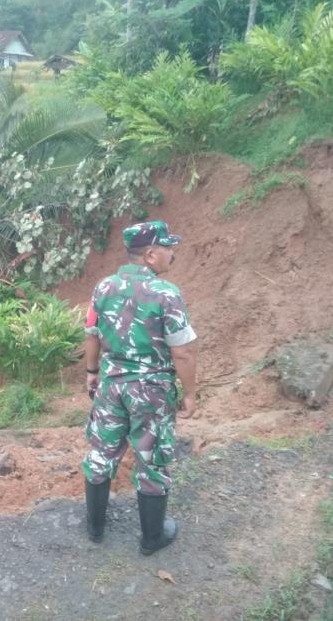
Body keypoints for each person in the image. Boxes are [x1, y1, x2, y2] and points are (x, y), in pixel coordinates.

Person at [81, 220, 197, 556]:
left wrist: (92, 373)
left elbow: (92, 335)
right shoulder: (167, 294)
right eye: (167, 248)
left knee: (101, 452)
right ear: (150, 254)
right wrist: (190, 393)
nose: (172, 255)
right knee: (151, 460)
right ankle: (152, 537)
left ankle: (95, 528)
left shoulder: (103, 288)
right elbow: (183, 351)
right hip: (151, 391)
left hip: (111, 386)